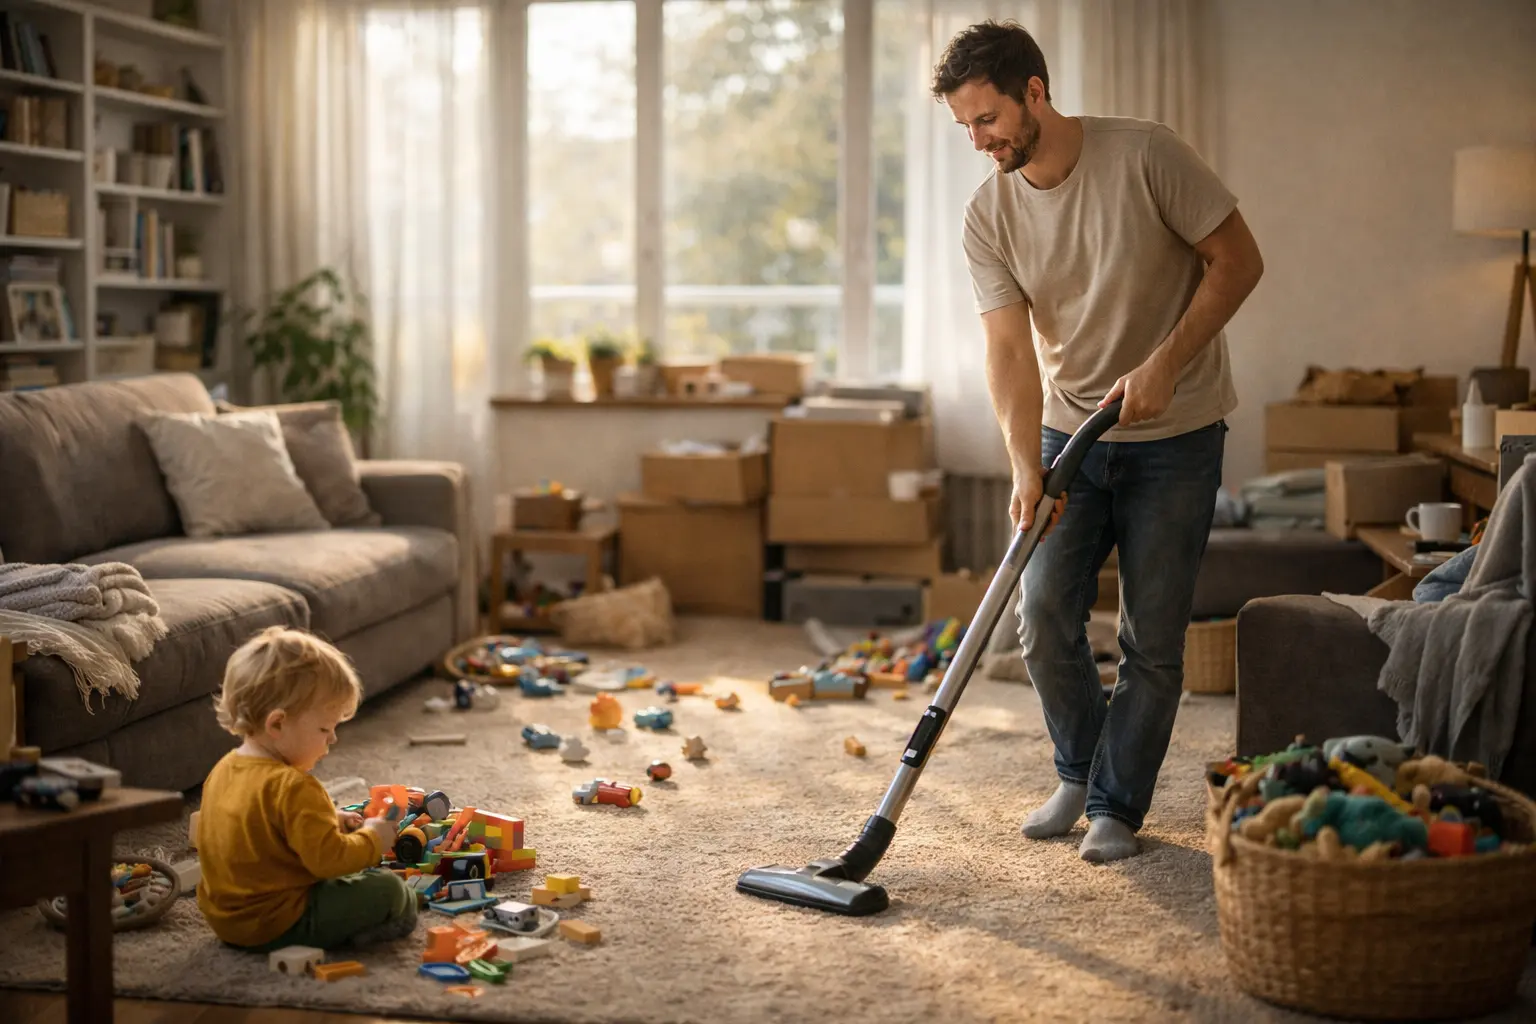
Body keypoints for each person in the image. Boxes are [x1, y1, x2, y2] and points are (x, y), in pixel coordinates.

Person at [932, 21, 1264, 862]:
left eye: (987, 120)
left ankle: (1118, 803)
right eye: (965, 127)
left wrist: (1165, 364)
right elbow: (1008, 350)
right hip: (1068, 431)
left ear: (1034, 92)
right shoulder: (989, 213)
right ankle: (1080, 769)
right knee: (1042, 616)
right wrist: (1023, 466)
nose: (979, 142)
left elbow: (1239, 261)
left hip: (1176, 432)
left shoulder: (1147, 154)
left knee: (1153, 637)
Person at [196, 626, 417, 950]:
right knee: (389, 889)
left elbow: (263, 831)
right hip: (280, 922)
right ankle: (367, 927)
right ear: (277, 724)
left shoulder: (223, 770)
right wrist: (374, 838)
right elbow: (330, 863)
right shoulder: (295, 786)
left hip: (226, 922)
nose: (333, 738)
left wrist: (330, 819)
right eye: (325, 728)